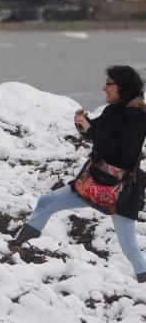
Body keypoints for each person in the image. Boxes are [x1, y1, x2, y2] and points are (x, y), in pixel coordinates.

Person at [9, 65, 146, 282]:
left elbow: (122, 154)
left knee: (129, 246)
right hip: (93, 181)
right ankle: (17, 244)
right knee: (46, 201)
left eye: (109, 84)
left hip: (120, 190)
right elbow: (97, 132)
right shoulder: (113, 110)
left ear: (122, 87)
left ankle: (143, 278)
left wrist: (92, 130)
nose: (103, 88)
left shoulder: (135, 117)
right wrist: (82, 124)